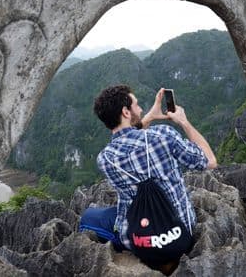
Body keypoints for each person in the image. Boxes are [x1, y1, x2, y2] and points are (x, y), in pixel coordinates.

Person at [79, 85, 217, 274]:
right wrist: (184, 122)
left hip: (139, 241)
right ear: (126, 112)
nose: (141, 109)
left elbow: (128, 141)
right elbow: (210, 162)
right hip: (181, 232)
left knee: (88, 217)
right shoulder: (163, 135)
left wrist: (150, 117)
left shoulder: (105, 159)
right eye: (137, 105)